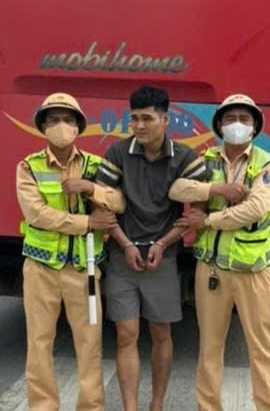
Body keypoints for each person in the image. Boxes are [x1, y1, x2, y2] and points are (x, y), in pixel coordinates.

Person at [169, 94, 270, 411]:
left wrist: (208, 220)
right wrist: (217, 189)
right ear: (219, 125)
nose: (237, 124)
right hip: (211, 271)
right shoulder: (205, 160)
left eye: (244, 119)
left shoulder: (267, 164)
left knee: (262, 350)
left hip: (253, 272)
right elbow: (177, 189)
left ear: (255, 127)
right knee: (209, 347)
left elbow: (256, 208)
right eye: (230, 118)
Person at [95, 85, 211, 411]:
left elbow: (198, 212)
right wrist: (125, 244)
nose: (139, 125)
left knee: (161, 334)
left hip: (164, 258)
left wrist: (163, 243)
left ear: (165, 119)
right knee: (126, 333)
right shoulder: (117, 153)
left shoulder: (185, 157)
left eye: (147, 118)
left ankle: (156, 404)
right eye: (134, 118)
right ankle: (130, 407)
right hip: (122, 258)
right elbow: (101, 207)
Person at [15, 92, 125, 411]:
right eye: (53, 120)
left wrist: (91, 188)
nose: (61, 126)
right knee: (39, 343)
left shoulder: (95, 165)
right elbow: (36, 214)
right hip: (41, 268)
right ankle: (42, 407)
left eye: (67, 119)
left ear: (78, 127)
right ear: (43, 126)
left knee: (90, 343)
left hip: (84, 268)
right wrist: (88, 222)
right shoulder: (29, 166)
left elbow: (119, 202)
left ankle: (91, 406)